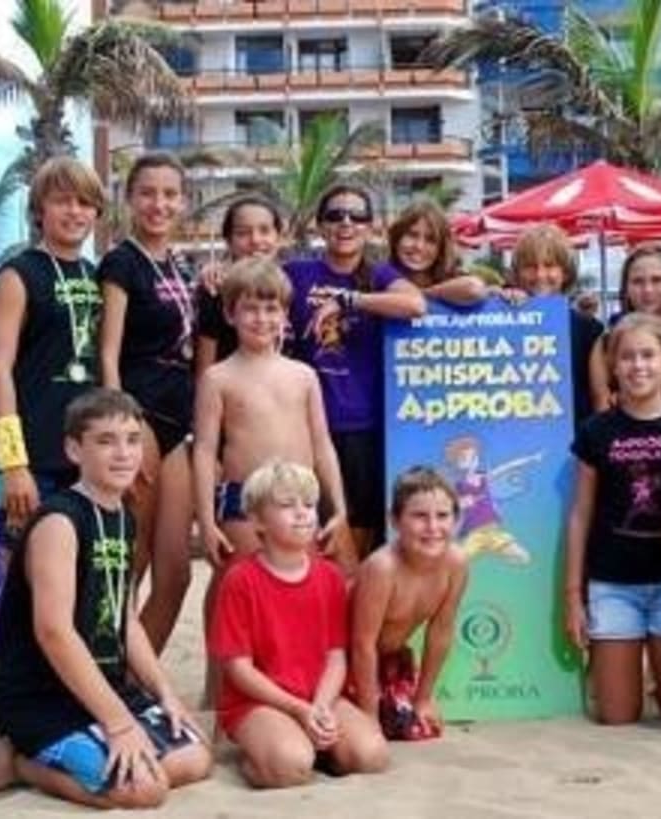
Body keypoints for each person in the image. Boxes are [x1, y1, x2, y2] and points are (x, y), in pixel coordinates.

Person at [0, 389, 211, 808]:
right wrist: (119, 724)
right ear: (74, 449)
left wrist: (165, 692)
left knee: (195, 757)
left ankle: (95, 745)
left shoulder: (122, 517)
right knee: (143, 790)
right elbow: (54, 632)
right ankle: (18, 762)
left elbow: (125, 618)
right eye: (106, 441)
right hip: (40, 695)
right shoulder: (60, 522)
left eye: (132, 440)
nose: (123, 453)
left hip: (103, 684)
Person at [194, 257, 351, 705]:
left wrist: (339, 507)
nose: (261, 319)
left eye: (271, 309)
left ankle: (291, 690)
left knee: (297, 596)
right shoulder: (217, 377)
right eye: (250, 308)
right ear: (230, 314)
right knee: (239, 598)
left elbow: (322, 444)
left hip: (302, 499)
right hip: (244, 504)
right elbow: (204, 450)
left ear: (285, 314)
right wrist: (206, 520)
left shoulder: (303, 376)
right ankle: (222, 695)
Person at [209, 459, 389, 788]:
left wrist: (320, 706)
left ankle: (315, 745)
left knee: (371, 755)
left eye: (308, 504)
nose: (302, 513)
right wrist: (298, 709)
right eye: (287, 505)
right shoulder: (240, 580)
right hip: (260, 701)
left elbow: (336, 656)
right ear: (257, 520)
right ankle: (257, 755)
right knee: (290, 765)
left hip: (318, 695)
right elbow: (239, 670)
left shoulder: (330, 576)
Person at [565, 314, 661, 724]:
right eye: (627, 357)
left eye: (647, 355)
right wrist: (573, 596)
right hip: (613, 585)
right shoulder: (596, 431)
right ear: (612, 365)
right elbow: (581, 514)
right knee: (617, 716)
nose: (638, 365)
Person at [285, 184, 426, 559]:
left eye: (356, 216)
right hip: (307, 426)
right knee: (311, 538)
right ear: (320, 225)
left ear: (370, 226)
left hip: (363, 428)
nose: (346, 223)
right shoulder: (296, 273)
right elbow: (252, 286)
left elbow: (416, 304)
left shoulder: (379, 276)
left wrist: (350, 301)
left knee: (359, 541)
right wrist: (215, 274)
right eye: (335, 215)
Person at [98, 152, 196, 653]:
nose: (159, 204)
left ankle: (136, 677)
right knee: (131, 565)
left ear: (184, 201)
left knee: (176, 572)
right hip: (140, 415)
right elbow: (107, 353)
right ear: (130, 200)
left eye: (170, 194)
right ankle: (105, 673)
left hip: (179, 419)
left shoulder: (180, 266)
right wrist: (123, 432)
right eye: (148, 193)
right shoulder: (122, 263)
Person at [0, 157, 107, 535]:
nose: (75, 211)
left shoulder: (96, 276)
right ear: (40, 210)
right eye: (62, 201)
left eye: (84, 202)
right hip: (29, 460)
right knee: (24, 567)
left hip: (84, 457)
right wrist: (13, 463)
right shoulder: (18, 274)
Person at [350, 467, 468, 741]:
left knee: (423, 727)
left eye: (443, 516)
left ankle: (394, 697)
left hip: (390, 661)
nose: (433, 527)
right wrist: (369, 715)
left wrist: (423, 698)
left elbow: (441, 630)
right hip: (350, 663)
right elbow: (361, 644)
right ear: (394, 519)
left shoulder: (456, 563)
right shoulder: (382, 568)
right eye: (419, 516)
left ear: (456, 519)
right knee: (361, 740)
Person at [509, 224, 604, 431]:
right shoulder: (500, 322)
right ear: (517, 273)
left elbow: (599, 399)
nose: (540, 274)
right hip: (515, 436)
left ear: (565, 272)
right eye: (530, 266)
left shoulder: (589, 330)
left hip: (575, 439)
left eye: (550, 265)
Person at [587, 244, 661, 412]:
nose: (648, 290)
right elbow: (601, 407)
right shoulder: (606, 343)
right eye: (638, 281)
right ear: (626, 289)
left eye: (657, 280)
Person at [195, 195, 284, 372]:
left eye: (265, 230)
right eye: (243, 233)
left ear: (278, 237)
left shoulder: (289, 283)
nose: (255, 240)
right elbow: (205, 369)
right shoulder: (216, 290)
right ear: (229, 240)